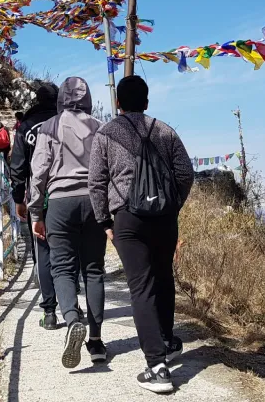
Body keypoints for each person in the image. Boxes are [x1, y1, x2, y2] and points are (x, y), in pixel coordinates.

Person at [88, 75, 194, 394]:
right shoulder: (164, 130)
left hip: (128, 219)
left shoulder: (106, 134)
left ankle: (157, 368)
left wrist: (104, 221)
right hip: (164, 218)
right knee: (163, 278)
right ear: (147, 102)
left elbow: (96, 182)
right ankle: (167, 341)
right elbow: (185, 173)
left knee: (141, 287)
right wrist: (172, 205)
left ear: (117, 102)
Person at [29, 77, 106, 369]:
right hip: (94, 201)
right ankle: (96, 343)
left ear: (62, 99)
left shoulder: (50, 126)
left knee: (62, 268)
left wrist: (36, 214)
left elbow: (39, 173)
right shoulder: (100, 127)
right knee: (94, 270)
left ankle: (73, 320)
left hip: (60, 203)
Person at [11, 83, 60, 329]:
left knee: (43, 253)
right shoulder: (66, 122)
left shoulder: (26, 126)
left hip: (38, 196)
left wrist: (18, 198)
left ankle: (49, 311)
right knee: (68, 251)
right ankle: (73, 306)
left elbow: (18, 165)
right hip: (66, 194)